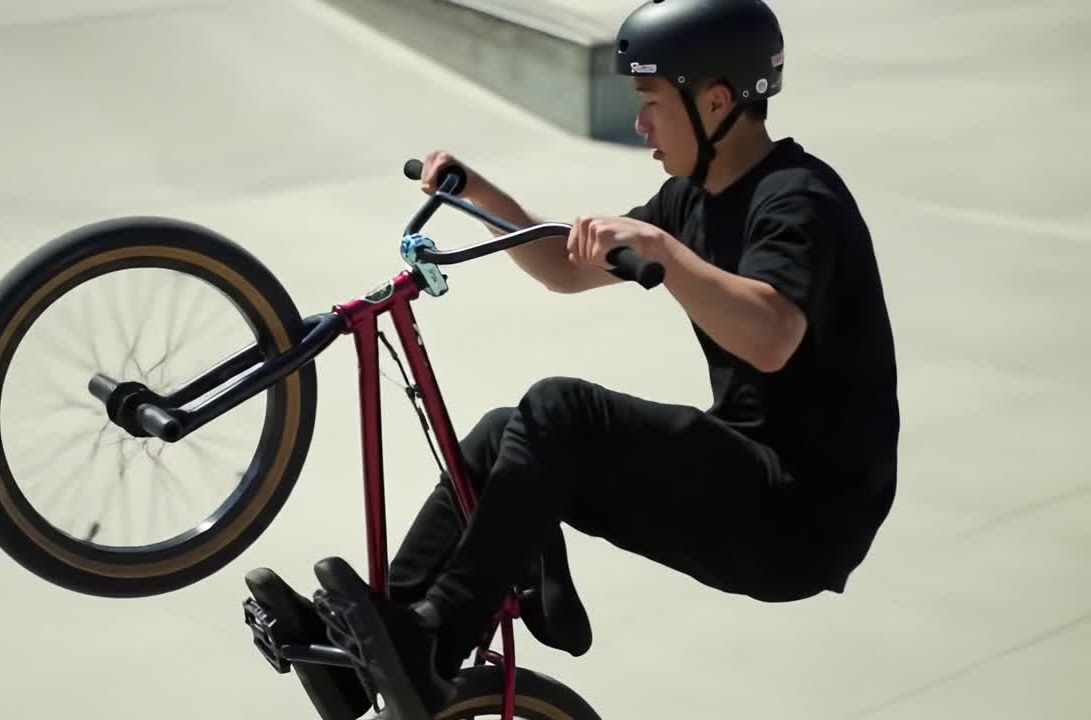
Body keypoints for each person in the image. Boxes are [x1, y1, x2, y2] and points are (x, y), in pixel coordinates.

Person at [264, 1, 900, 718]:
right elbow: (563, 268)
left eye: (652, 103)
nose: (639, 125)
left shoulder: (796, 200)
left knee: (560, 410)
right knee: (503, 434)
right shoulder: (688, 199)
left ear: (717, 101)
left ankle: (435, 640)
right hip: (745, 480)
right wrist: (476, 192)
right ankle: (379, 643)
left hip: (801, 514)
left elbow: (771, 335)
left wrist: (665, 252)